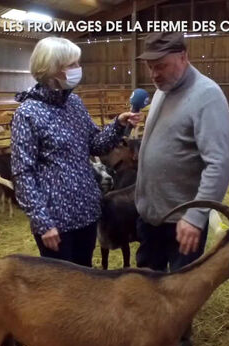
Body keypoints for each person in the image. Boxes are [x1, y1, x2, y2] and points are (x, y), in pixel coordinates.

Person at [134, 32, 229, 346]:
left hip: (182, 218)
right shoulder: (165, 90)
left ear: (183, 56)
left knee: (180, 283)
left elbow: (218, 163)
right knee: (150, 274)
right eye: (151, 67)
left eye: (161, 66)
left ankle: (176, 341)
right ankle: (152, 330)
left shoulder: (207, 96)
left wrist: (197, 215)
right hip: (153, 211)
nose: (154, 74)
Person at [11, 36, 141, 267]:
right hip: (56, 221)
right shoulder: (28, 113)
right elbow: (23, 173)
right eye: (72, 65)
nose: (78, 70)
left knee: (85, 277)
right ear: (52, 69)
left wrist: (119, 125)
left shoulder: (74, 104)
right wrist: (42, 221)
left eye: (77, 64)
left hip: (87, 212)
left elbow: (96, 145)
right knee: (62, 288)